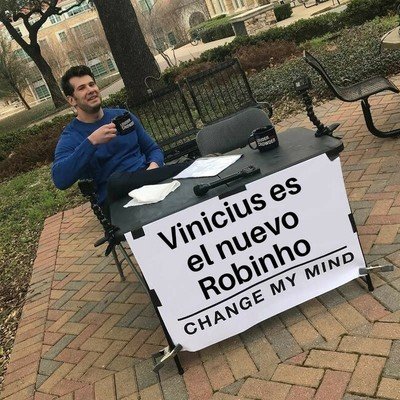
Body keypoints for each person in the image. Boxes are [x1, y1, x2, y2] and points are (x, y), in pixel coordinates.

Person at [52, 65, 164, 205]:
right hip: (118, 200)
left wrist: (152, 169)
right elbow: (60, 180)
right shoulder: (71, 137)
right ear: (71, 100)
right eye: (82, 88)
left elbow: (153, 149)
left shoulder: (123, 116)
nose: (90, 90)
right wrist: (91, 142)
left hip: (149, 182)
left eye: (91, 84)